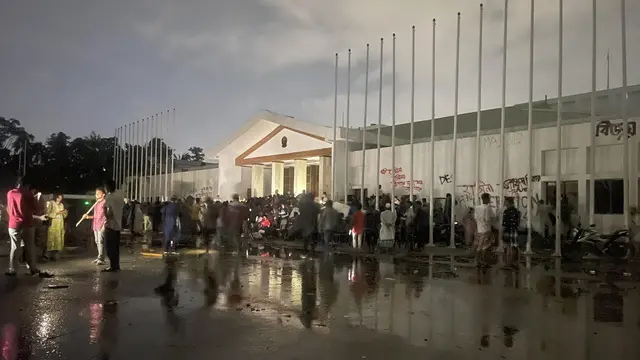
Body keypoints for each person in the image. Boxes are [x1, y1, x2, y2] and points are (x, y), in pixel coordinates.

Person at [5, 177, 53, 277]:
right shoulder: (28, 194)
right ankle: (32, 269)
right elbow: (37, 209)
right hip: (27, 224)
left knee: (14, 247)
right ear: (26, 185)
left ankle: (12, 269)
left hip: (13, 224)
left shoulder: (10, 193)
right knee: (30, 247)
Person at [103, 179, 123, 272]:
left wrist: (106, 217)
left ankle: (112, 266)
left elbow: (108, 211)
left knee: (109, 247)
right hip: (118, 225)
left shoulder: (109, 197)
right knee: (116, 247)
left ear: (107, 188)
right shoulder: (120, 196)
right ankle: (116, 265)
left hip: (111, 225)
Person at [83, 188, 107, 265]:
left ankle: (101, 258)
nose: (96, 195)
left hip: (102, 224)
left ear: (103, 194)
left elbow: (105, 215)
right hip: (95, 224)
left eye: (98, 193)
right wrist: (88, 217)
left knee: (101, 241)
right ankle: (99, 257)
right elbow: (96, 216)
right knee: (97, 241)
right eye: (96, 193)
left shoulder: (105, 203)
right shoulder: (96, 203)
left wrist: (104, 225)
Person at [474, 193, 496, 268]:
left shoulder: (477, 208)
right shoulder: (488, 208)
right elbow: (489, 219)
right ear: (487, 199)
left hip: (479, 229)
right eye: (489, 198)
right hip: (486, 229)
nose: (490, 200)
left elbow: (475, 218)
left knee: (479, 246)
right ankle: (483, 261)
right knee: (485, 247)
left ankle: (477, 261)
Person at [45, 194, 67, 260]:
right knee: (51, 239)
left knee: (59, 238)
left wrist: (64, 212)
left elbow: (64, 215)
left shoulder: (61, 205)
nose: (60, 199)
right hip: (53, 224)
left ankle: (56, 254)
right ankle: (48, 254)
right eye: (58, 198)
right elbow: (47, 213)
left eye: (61, 198)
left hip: (60, 224)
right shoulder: (51, 203)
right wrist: (57, 213)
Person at [502, 197, 521, 269]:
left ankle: (507, 263)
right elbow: (518, 223)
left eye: (505, 201)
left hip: (507, 231)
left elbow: (504, 224)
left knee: (506, 247)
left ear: (508, 202)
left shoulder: (506, 212)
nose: (504, 203)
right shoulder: (517, 211)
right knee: (514, 247)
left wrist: (501, 233)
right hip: (514, 231)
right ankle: (515, 263)